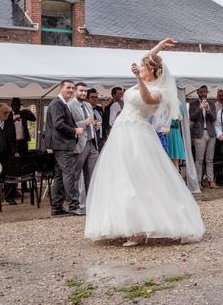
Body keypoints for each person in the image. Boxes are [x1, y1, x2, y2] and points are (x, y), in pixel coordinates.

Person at [85, 38, 205, 246]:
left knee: (141, 177)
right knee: (120, 177)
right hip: (121, 133)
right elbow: (146, 57)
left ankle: (144, 228)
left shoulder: (160, 92)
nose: (140, 67)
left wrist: (138, 80)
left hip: (137, 133)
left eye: (143, 67)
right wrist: (160, 45)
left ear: (152, 72)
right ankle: (127, 223)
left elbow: (148, 100)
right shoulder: (141, 78)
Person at [44, 80, 85, 216]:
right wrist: (75, 130)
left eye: (73, 88)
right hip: (61, 144)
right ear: (61, 88)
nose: (71, 90)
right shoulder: (57, 103)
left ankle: (56, 207)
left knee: (60, 176)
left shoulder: (63, 103)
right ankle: (74, 205)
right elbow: (58, 124)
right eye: (68, 88)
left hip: (61, 144)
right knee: (69, 174)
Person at [68, 82, 100, 200]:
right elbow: (68, 125)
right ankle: (74, 202)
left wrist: (95, 125)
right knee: (75, 174)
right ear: (75, 91)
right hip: (80, 144)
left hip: (92, 142)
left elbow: (90, 122)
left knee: (92, 174)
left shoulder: (88, 105)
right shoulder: (70, 105)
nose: (83, 93)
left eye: (85, 91)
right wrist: (84, 123)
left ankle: (91, 200)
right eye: (81, 91)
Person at [189, 86, 217, 188]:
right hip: (199, 134)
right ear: (197, 92)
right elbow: (192, 118)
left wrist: (208, 110)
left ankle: (211, 180)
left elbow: (214, 119)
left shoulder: (212, 104)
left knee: (210, 159)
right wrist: (199, 109)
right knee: (199, 160)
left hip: (211, 134)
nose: (203, 94)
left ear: (207, 92)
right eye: (201, 92)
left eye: (205, 92)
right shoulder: (193, 104)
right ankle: (198, 181)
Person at [165, 104, 186, 172]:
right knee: (167, 158)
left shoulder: (178, 106)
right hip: (168, 132)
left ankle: (177, 178)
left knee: (175, 159)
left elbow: (181, 118)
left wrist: (175, 111)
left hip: (175, 133)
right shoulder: (165, 106)